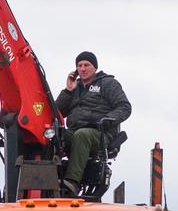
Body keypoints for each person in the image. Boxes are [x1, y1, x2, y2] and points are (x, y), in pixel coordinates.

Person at [56, 50, 131, 192]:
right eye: (79, 65)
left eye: (86, 65)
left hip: (100, 133)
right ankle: (51, 177)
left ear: (95, 67)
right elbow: (56, 112)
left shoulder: (107, 83)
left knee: (82, 135)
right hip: (74, 131)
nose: (83, 69)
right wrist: (68, 90)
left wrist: (108, 120)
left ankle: (72, 182)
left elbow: (125, 107)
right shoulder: (75, 87)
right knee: (54, 135)